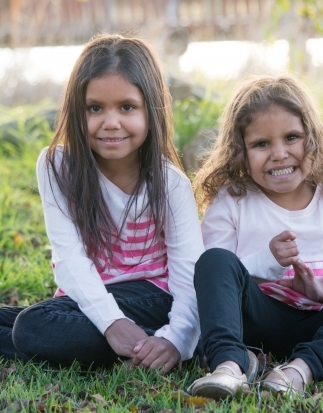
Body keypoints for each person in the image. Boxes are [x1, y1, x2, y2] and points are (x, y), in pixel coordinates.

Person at [0, 34, 204, 371]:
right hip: (89, 296)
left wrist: (177, 340)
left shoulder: (170, 184)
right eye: (95, 108)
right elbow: (69, 258)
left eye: (127, 107)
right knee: (31, 323)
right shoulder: (58, 166)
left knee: (33, 326)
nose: (111, 123)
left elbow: (188, 277)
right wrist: (111, 322)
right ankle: (142, 342)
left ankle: (167, 343)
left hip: (154, 296)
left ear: (151, 110)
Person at [189, 74, 323, 399]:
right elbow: (213, 280)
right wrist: (266, 262)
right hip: (258, 322)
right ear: (240, 151)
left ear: (312, 139)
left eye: (292, 137)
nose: (279, 153)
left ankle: (302, 369)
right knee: (213, 260)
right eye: (261, 144)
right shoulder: (232, 202)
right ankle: (229, 365)